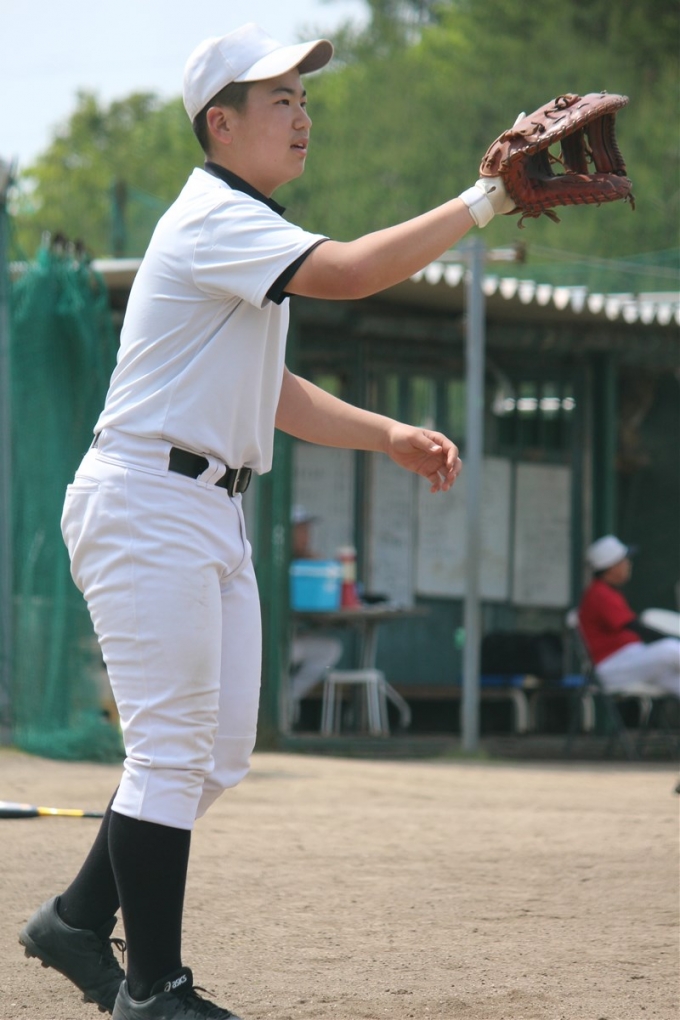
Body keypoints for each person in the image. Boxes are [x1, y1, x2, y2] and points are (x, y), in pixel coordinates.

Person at [18, 21, 516, 1020]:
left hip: (204, 508)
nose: (301, 115)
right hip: (147, 500)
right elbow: (354, 271)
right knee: (169, 752)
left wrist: (385, 433)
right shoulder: (214, 215)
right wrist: (484, 201)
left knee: (214, 759)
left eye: (303, 98)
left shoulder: (244, 228)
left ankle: (74, 922)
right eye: (279, 98)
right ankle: (154, 989)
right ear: (221, 122)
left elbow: (270, 388)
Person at [578, 535, 680, 696]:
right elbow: (634, 626)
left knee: (676, 679)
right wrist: (669, 639)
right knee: (670, 649)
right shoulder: (599, 593)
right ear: (611, 566)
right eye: (624, 560)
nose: (628, 564)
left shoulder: (608, 591)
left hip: (630, 659)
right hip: (611, 665)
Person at [288, 505, 343, 726]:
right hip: (266, 644)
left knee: (330, 649)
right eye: (300, 530)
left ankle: (289, 697)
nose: (306, 536)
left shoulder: (309, 563)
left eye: (306, 530)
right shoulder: (271, 561)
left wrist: (317, 567)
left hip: (293, 639)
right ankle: (279, 705)